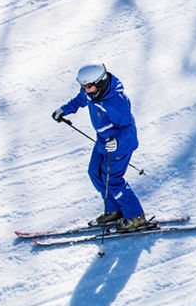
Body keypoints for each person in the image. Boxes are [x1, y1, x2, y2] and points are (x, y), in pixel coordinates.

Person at [52, 64, 147, 231]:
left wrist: (117, 142)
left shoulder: (117, 101)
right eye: (82, 86)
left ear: (100, 82)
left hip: (120, 145)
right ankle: (114, 210)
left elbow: (129, 128)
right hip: (102, 141)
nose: (85, 90)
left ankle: (136, 215)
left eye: (88, 86)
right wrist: (63, 110)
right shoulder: (91, 92)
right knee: (94, 172)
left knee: (113, 180)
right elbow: (79, 101)